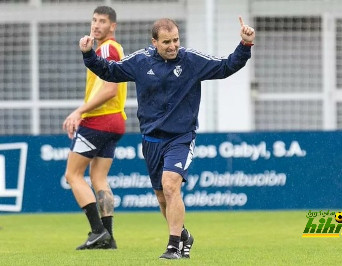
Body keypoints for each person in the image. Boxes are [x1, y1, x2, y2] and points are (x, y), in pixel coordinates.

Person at [78, 16, 255, 259]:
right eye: (166, 42)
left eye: (176, 40)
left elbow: (226, 67)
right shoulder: (141, 60)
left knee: (171, 185)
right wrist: (89, 54)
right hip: (151, 140)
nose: (173, 46)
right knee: (162, 197)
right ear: (154, 42)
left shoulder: (191, 60)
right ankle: (183, 234)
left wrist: (244, 45)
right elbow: (110, 71)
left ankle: (174, 246)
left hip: (181, 137)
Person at [63, 6, 127, 250]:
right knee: (98, 177)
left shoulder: (109, 48)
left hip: (100, 119)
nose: (96, 25)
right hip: (115, 121)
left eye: (103, 21)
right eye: (94, 20)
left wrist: (80, 111)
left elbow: (110, 89)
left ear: (113, 26)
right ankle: (108, 238)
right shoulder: (105, 49)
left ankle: (97, 231)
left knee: (72, 175)